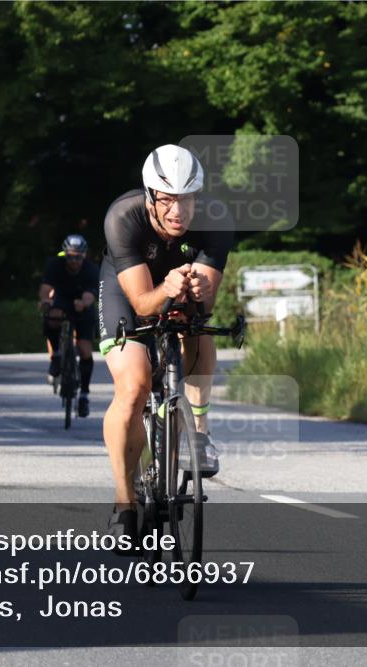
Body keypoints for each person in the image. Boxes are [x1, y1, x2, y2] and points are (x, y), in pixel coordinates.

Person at [98, 144, 234, 542]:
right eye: (168, 199)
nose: (179, 211)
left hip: (178, 286)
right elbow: (143, 303)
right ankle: (125, 504)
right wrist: (167, 288)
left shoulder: (216, 219)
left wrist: (198, 293)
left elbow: (206, 303)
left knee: (199, 326)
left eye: (188, 199)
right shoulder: (123, 217)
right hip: (127, 290)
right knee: (135, 385)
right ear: (150, 196)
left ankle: (200, 430)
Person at [39, 234, 98, 418]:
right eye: (71, 256)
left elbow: (90, 294)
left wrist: (84, 303)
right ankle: (56, 355)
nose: (74, 261)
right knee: (52, 316)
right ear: (65, 254)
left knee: (84, 349)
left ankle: (84, 395)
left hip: (82, 304)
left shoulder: (90, 269)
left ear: (84, 255)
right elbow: (46, 288)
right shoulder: (55, 265)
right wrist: (45, 301)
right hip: (63, 300)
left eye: (78, 257)